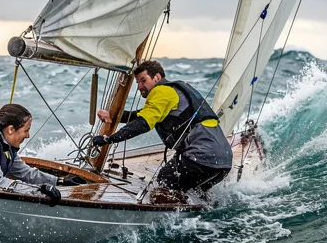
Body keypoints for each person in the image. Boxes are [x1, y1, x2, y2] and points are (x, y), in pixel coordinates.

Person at [93, 60, 232, 193]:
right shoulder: (172, 92)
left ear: (157, 77)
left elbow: (143, 123)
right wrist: (114, 116)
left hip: (201, 158)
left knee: (164, 180)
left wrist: (109, 139)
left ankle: (161, 217)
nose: (140, 86)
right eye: (137, 82)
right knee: (193, 194)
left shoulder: (161, 91)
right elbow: (141, 115)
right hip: (223, 162)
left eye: (143, 80)